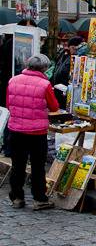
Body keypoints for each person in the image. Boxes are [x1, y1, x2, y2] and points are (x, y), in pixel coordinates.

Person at [7, 54, 58, 210]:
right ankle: (39, 198)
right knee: (37, 166)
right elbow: (54, 107)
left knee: (18, 164)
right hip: (36, 132)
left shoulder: (13, 80)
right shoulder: (44, 84)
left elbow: (9, 104)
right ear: (44, 68)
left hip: (15, 130)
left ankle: (17, 197)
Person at [51, 36, 84, 109]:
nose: (75, 50)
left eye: (76, 47)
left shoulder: (78, 58)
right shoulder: (63, 54)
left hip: (66, 89)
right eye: (72, 47)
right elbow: (56, 68)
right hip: (58, 89)